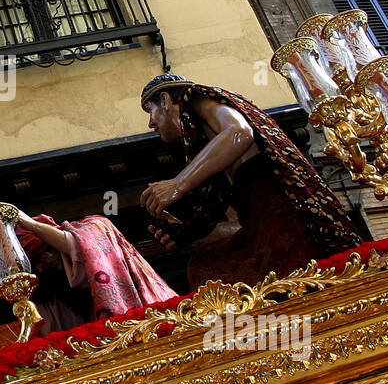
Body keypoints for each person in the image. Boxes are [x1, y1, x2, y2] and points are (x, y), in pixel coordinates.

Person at [139, 74, 363, 289]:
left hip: (287, 222)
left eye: (151, 110)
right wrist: (186, 234)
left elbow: (238, 131)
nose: (151, 123)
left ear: (166, 100)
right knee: (203, 266)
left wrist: (178, 184)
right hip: (265, 232)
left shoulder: (195, 97)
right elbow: (236, 226)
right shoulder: (208, 152)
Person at [0, 206, 181, 335]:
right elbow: (50, 333)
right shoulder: (55, 290)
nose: (43, 266)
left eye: (44, 254)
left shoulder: (95, 226)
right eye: (35, 264)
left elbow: (84, 249)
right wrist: (14, 296)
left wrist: (30, 224)